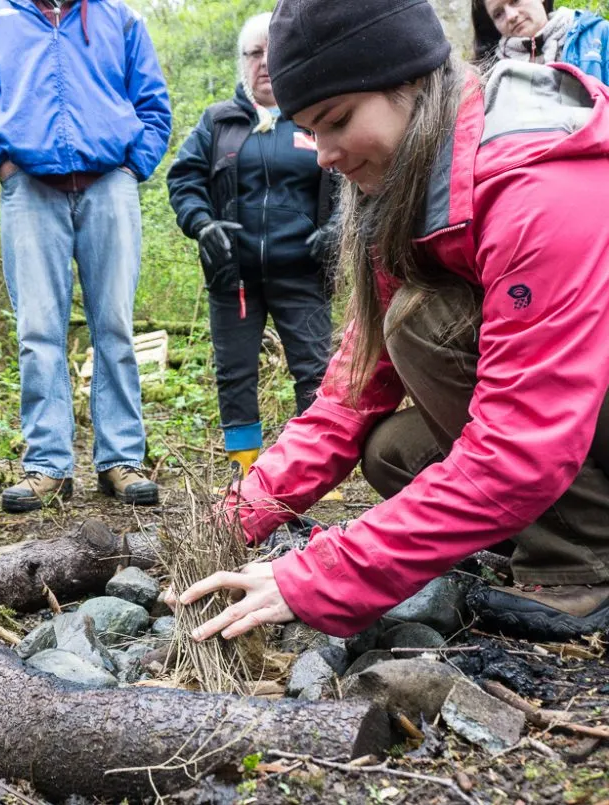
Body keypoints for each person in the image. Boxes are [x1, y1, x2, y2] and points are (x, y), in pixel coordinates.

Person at [173, 0, 609, 643]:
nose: (322, 155)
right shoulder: (407, 188)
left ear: (410, 83)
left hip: (565, 420)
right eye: (308, 130)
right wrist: (231, 517)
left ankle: (579, 566)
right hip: (567, 418)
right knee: (393, 452)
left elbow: (519, 448)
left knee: (421, 321)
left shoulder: (534, 185)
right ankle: (533, 533)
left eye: (337, 121)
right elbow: (349, 398)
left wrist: (319, 576)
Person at [0, 0, 171, 514]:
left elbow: (153, 104)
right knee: (38, 330)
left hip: (108, 183)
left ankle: (120, 459)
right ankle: (48, 465)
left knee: (114, 325)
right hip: (29, 188)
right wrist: (1, 164)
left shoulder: (120, 18)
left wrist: (131, 167)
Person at [166, 12, 336, 478]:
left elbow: (350, 184)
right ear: (242, 62)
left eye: (272, 52)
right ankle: (246, 471)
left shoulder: (316, 117)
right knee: (236, 373)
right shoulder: (218, 122)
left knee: (315, 371)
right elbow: (184, 180)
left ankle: (314, 468)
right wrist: (202, 225)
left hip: (303, 270)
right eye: (254, 53)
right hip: (233, 274)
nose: (264, 63)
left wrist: (336, 230)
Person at [472, 0, 609, 83]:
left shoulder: (599, 34)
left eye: (515, 1)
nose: (511, 16)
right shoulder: (490, 75)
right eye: (498, 14)